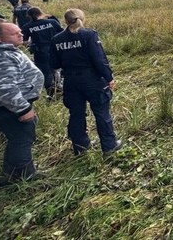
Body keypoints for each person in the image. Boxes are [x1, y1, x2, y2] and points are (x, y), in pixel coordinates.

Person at [49, 9, 122, 157]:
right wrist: (109, 77)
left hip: (70, 81)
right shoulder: (89, 35)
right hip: (92, 80)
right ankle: (109, 146)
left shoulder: (56, 39)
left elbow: (54, 63)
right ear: (82, 18)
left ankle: (80, 147)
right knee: (101, 112)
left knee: (76, 114)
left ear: (66, 20)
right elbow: (99, 59)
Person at [0, 22, 44, 186]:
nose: (21, 34)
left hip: (12, 106)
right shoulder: (0, 57)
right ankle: (24, 176)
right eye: (15, 33)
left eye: (20, 31)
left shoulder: (6, 51)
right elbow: (4, 89)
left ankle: (11, 173)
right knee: (22, 137)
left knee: (17, 137)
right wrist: (23, 110)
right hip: (9, 108)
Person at [22, 7, 63, 100]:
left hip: (40, 52)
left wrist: (30, 45)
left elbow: (24, 42)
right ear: (41, 13)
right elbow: (62, 34)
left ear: (29, 16)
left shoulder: (27, 26)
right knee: (58, 69)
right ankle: (60, 88)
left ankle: (52, 95)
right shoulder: (52, 22)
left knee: (46, 73)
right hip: (56, 49)